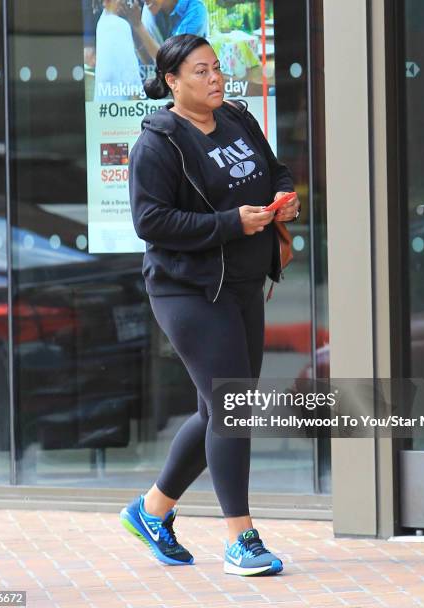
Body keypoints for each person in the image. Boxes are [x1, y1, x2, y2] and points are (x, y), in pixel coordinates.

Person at [120, 34, 300, 577]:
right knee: (233, 406)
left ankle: (151, 511)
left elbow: (276, 169)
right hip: (188, 290)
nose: (215, 79)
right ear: (172, 82)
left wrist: (284, 200)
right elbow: (149, 222)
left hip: (243, 284)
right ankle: (240, 538)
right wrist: (231, 224)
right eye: (200, 72)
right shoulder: (158, 144)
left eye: (217, 68)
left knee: (218, 408)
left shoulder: (239, 119)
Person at [118, 0, 208, 65]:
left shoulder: (195, 10)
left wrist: (138, 25)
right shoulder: (150, 7)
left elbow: (172, 61)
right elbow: (148, 62)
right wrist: (133, 26)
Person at [94, 0, 143, 100]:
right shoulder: (120, 25)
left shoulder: (101, 23)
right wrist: (138, 101)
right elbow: (130, 70)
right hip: (122, 106)